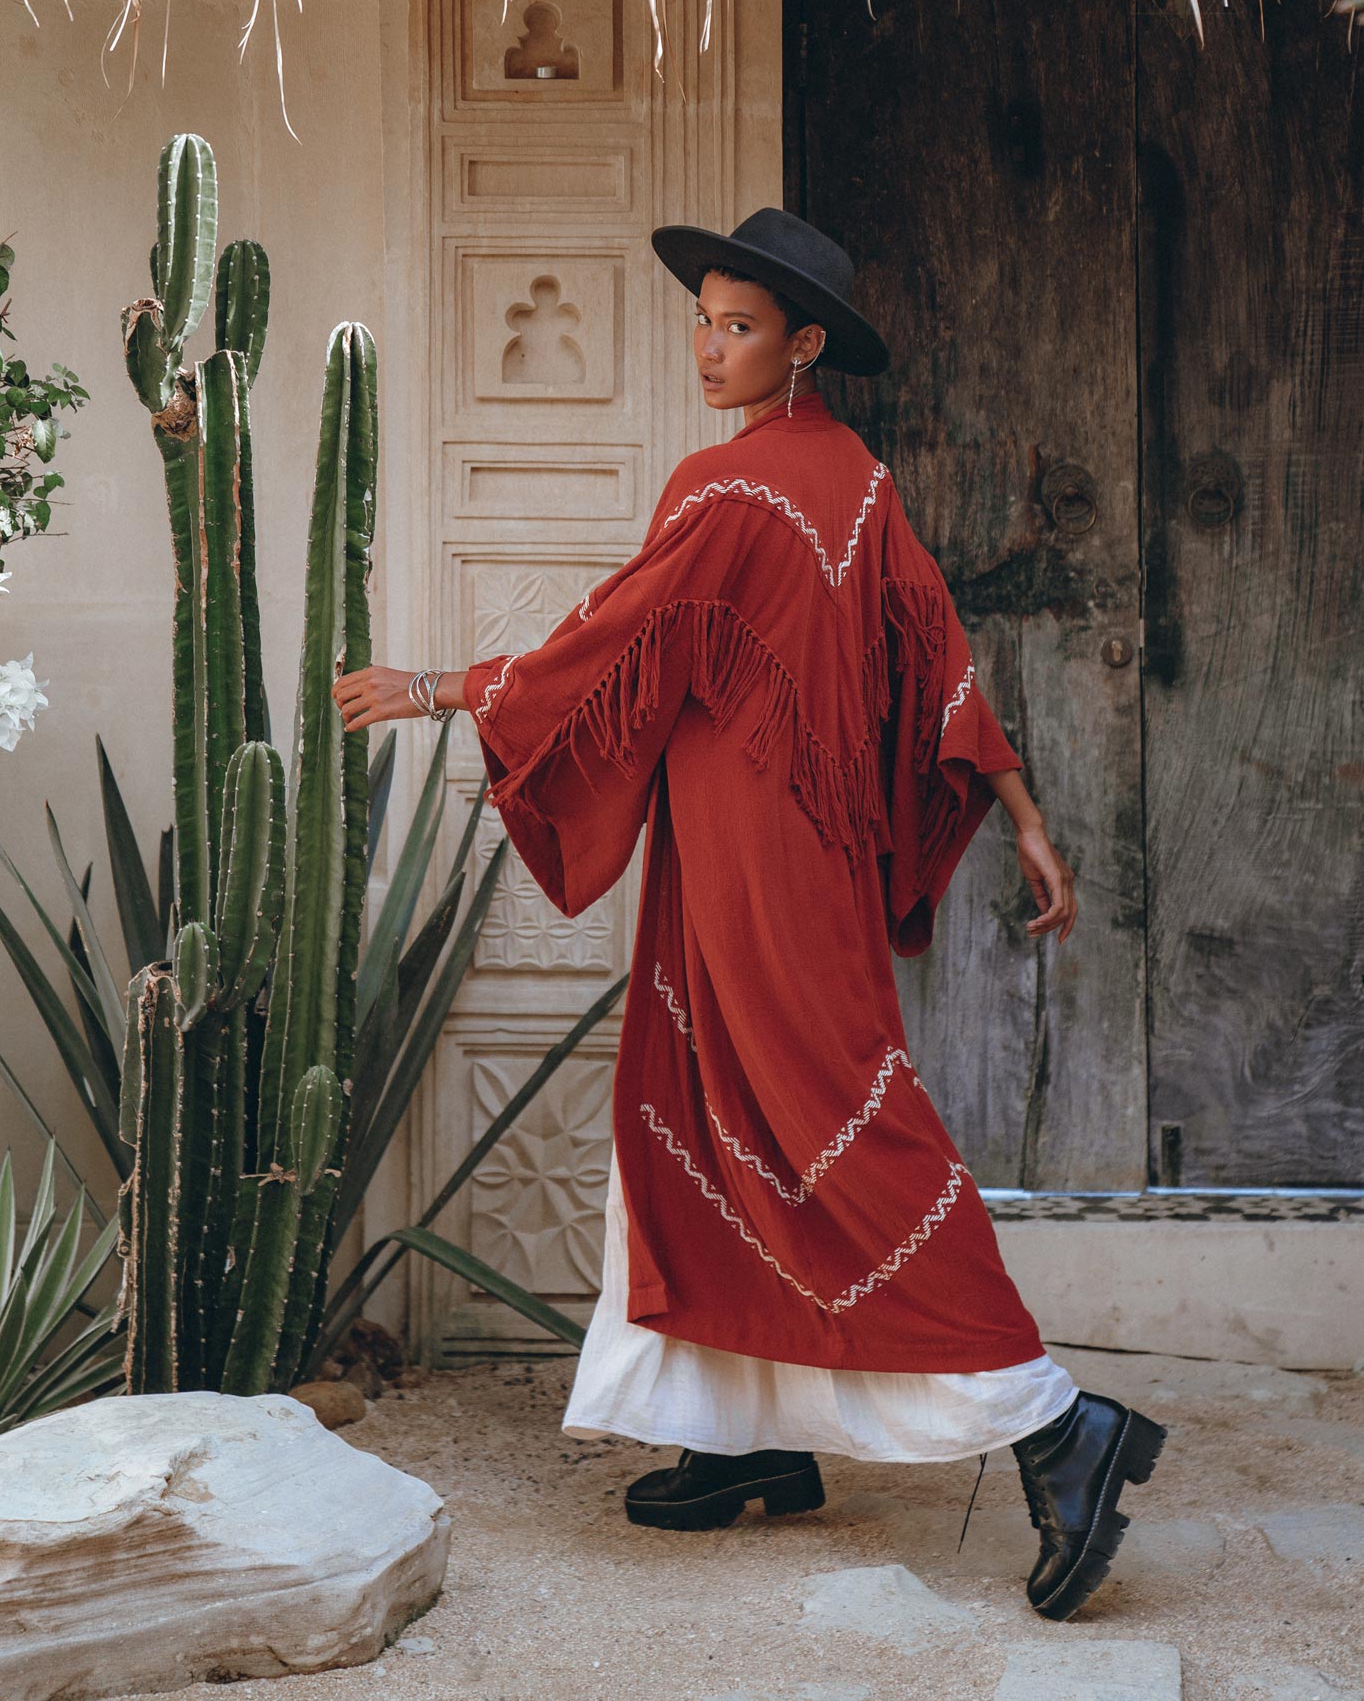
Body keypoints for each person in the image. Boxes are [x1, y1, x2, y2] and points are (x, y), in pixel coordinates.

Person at [332, 207, 1167, 1623]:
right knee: (716, 1109)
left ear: (805, 344)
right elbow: (939, 657)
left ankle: (1054, 1426)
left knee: (841, 1130)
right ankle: (747, 1441)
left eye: (737, 327)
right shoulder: (851, 481)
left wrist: (437, 691)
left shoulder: (730, 495)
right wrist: (1021, 818)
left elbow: (615, 635)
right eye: (704, 323)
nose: (708, 350)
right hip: (797, 863)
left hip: (754, 875)